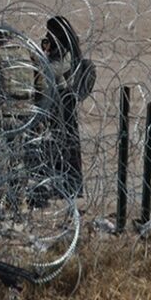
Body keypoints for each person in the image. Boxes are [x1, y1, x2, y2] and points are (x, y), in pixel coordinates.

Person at [42, 16, 95, 198]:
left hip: (64, 103)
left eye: (50, 31)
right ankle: (65, 183)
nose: (47, 35)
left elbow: (55, 70)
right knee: (61, 144)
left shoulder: (67, 53)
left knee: (67, 145)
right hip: (57, 103)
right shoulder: (61, 50)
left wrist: (40, 59)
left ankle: (72, 184)